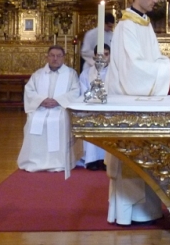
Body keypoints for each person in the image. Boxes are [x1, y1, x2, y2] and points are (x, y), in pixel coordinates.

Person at [104, 0, 170, 225]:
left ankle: (148, 209)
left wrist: (168, 65)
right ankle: (128, 212)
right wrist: (168, 70)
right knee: (132, 155)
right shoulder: (126, 26)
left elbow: (154, 58)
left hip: (144, 97)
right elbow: (134, 69)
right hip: (130, 98)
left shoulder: (143, 23)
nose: (155, 0)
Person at [17, 45, 81, 173]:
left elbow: (75, 91)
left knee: (61, 121)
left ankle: (60, 161)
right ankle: (35, 160)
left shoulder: (71, 74)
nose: (55, 59)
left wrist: (58, 100)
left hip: (61, 109)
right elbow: (29, 90)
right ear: (47, 57)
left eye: (58, 56)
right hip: (41, 108)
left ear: (64, 58)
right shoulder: (38, 74)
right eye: (52, 55)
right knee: (33, 121)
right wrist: (41, 100)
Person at [78, 44, 110, 170]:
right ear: (94, 56)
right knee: (90, 122)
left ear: (110, 56)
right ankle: (92, 159)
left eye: (106, 55)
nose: (103, 58)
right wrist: (95, 101)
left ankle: (107, 160)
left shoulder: (116, 73)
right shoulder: (86, 73)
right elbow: (83, 92)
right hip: (91, 109)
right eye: (100, 55)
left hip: (110, 109)